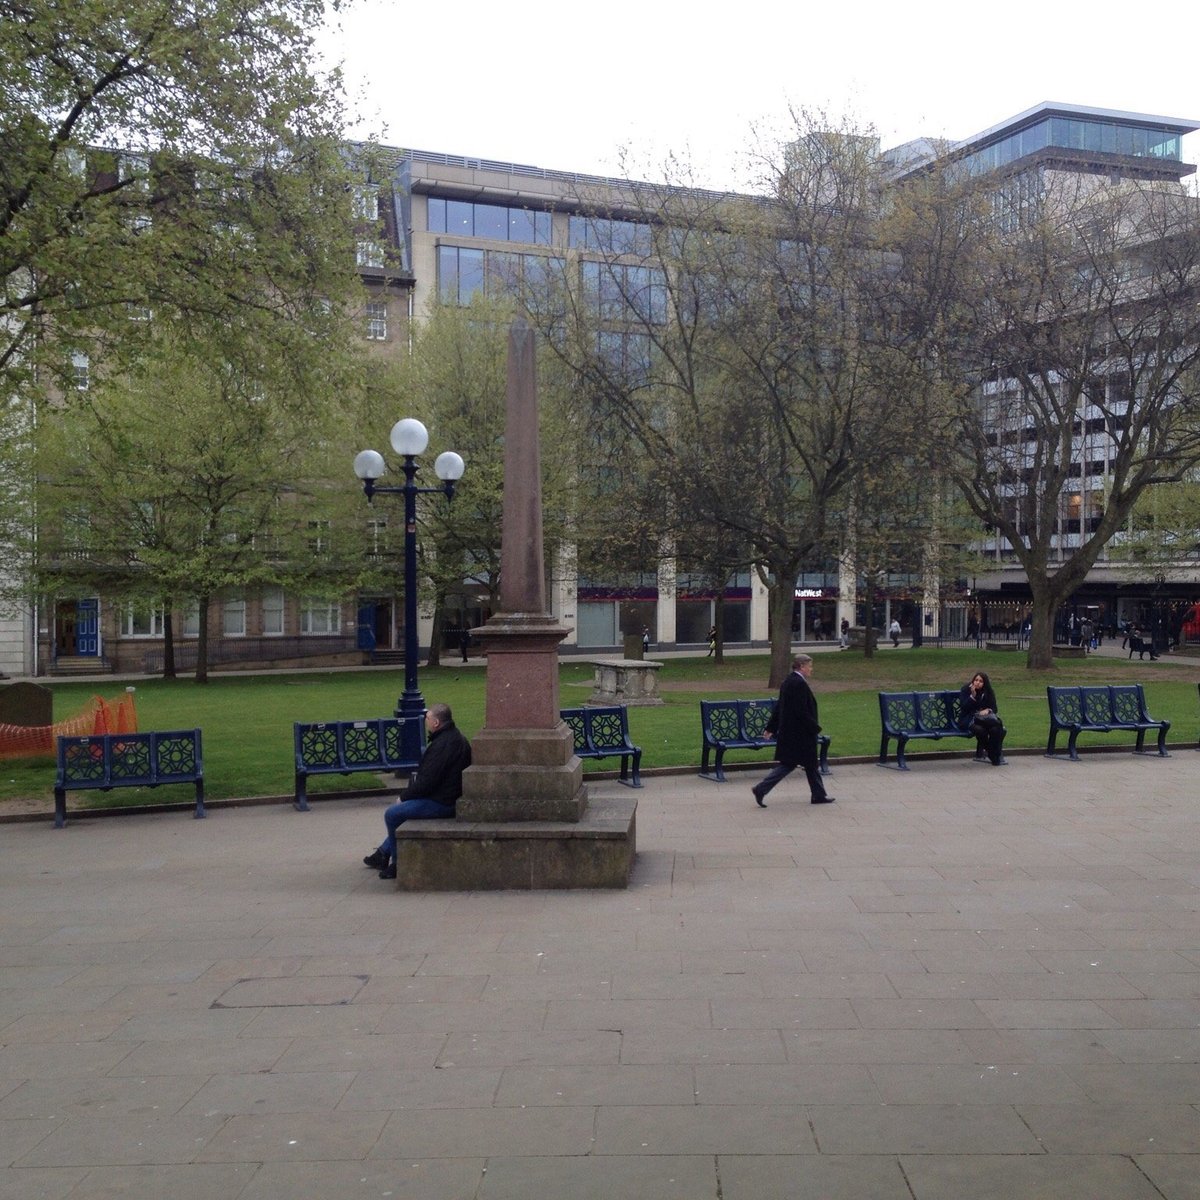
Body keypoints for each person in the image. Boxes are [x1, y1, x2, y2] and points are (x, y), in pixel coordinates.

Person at [362, 702, 472, 880]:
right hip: (448, 796)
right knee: (402, 812)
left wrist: (404, 797)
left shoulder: (442, 745)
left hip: (442, 802)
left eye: (427, 718)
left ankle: (397, 864)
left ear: (436, 722)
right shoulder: (454, 738)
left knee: (393, 814)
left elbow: (427, 781)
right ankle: (383, 853)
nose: (425, 721)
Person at [752, 653, 834, 807]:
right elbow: (800, 710)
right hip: (799, 733)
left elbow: (780, 706)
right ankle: (761, 789)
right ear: (802, 666)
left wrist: (771, 727)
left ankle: (818, 794)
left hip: (794, 732)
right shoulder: (798, 684)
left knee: (810, 764)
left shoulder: (789, 681)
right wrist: (814, 728)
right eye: (810, 666)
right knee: (789, 764)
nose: (811, 669)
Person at [958, 670, 1006, 766]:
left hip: (984, 719)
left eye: (981, 681)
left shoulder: (988, 691)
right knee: (981, 731)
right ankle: (994, 756)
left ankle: (994, 755)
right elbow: (964, 708)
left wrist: (987, 710)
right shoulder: (966, 689)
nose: (977, 682)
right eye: (976, 680)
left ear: (985, 683)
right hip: (969, 719)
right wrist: (973, 696)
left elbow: (994, 708)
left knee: (995, 729)